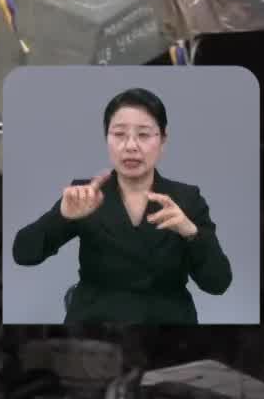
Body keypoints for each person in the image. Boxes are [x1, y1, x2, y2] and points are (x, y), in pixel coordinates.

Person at [12, 87, 231, 325]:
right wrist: (62, 217)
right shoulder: (86, 194)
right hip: (95, 322)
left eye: (144, 135)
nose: (130, 146)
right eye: (119, 134)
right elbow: (23, 253)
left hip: (167, 325)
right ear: (107, 138)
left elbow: (218, 283)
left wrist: (191, 233)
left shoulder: (186, 198)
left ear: (163, 140)